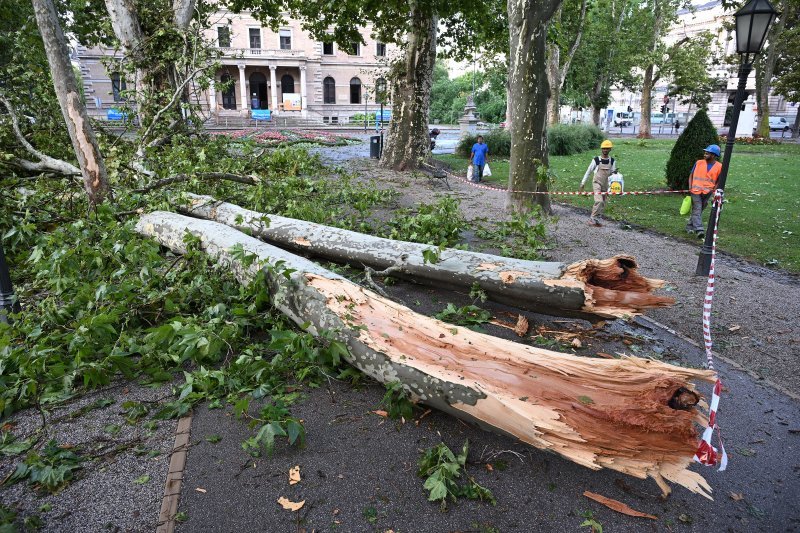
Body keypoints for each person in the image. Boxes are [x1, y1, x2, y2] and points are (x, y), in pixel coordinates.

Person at [686, 144, 722, 238]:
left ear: (713, 155)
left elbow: (719, 180)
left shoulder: (719, 166)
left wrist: (714, 190)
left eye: (707, 153)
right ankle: (699, 229)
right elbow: (691, 175)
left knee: (699, 210)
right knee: (697, 208)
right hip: (695, 190)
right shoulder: (699, 163)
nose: (704, 155)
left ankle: (689, 227)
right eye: (705, 153)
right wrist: (690, 186)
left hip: (708, 192)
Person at [579, 139, 617, 226]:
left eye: (607, 148)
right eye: (604, 148)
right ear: (601, 149)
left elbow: (612, 174)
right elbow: (588, 171)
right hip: (596, 183)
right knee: (598, 200)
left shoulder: (612, 161)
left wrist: (614, 177)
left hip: (606, 184)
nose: (605, 150)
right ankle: (592, 218)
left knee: (603, 202)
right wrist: (582, 183)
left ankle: (598, 218)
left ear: (610, 149)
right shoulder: (596, 160)